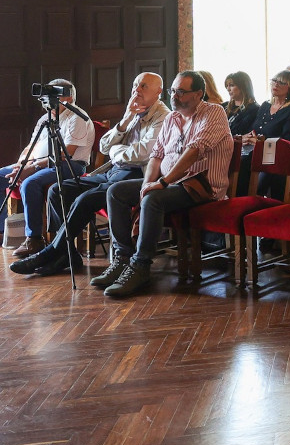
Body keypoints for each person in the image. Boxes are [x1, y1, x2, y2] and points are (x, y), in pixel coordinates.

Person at [12, 74, 168, 276]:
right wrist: (126, 120)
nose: (137, 90)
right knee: (58, 190)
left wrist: (115, 151)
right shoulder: (133, 111)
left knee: (86, 199)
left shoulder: (163, 116)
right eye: (135, 85)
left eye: (144, 86)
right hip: (114, 171)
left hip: (135, 176)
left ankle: (52, 252)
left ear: (158, 92)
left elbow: (140, 154)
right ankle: (68, 254)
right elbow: (104, 146)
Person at [95, 71, 232, 297]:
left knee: (154, 197)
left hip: (201, 187)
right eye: (172, 91)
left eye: (181, 92)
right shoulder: (172, 118)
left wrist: (162, 182)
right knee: (116, 191)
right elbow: (156, 156)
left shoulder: (213, 113)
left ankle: (141, 266)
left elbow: (195, 150)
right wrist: (147, 183)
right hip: (170, 184)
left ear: (199, 94)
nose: (174, 96)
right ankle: (122, 259)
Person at [0, 78, 94, 254]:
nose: (45, 100)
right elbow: (29, 148)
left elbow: (65, 153)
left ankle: (34, 239)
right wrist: (20, 166)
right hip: (36, 163)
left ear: (67, 98)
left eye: (51, 95)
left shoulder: (76, 117)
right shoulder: (44, 119)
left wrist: (30, 169)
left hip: (69, 166)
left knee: (29, 183)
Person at [224, 71, 259, 136]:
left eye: (231, 85)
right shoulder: (224, 106)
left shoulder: (254, 109)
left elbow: (242, 132)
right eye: (227, 86)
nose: (228, 89)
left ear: (243, 86)